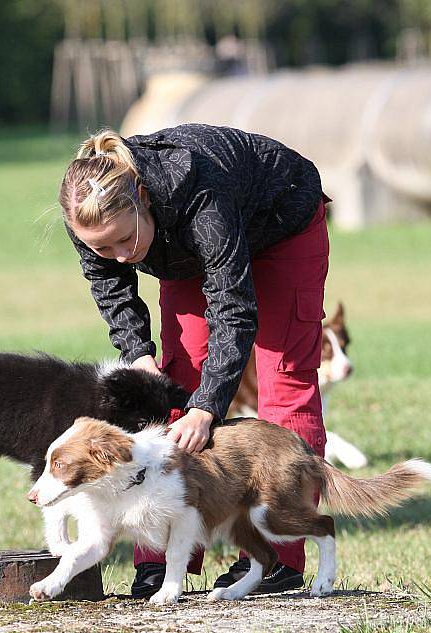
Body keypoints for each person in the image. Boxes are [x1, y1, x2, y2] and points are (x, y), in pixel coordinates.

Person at [59, 123, 329, 598]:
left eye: (124, 240)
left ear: (142, 196)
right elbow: (112, 290)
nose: (120, 256)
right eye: (103, 248)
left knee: (283, 378)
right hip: (181, 250)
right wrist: (137, 355)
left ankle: (280, 560)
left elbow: (234, 307)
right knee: (175, 380)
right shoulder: (92, 222)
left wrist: (209, 408)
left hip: (281, 226)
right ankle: (163, 559)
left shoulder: (201, 193)